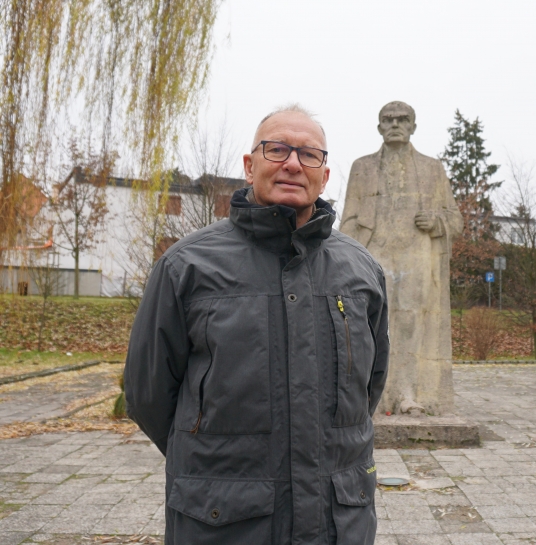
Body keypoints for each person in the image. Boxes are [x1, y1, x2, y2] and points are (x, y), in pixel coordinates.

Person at [124, 104, 389, 545]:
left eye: (308, 154)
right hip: (223, 520)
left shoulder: (361, 270)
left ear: (324, 175)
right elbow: (148, 392)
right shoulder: (186, 266)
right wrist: (211, 463)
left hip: (338, 519)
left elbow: (369, 386)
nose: (291, 163)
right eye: (277, 149)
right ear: (250, 166)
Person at [340, 101, 462, 416]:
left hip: (416, 259)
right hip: (373, 255)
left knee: (409, 325)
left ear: (413, 126)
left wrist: (437, 222)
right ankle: (371, 394)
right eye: (388, 119)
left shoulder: (432, 168)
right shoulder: (362, 167)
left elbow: (455, 219)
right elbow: (349, 220)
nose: (395, 124)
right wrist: (347, 258)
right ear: (379, 126)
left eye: (402, 119)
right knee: (369, 325)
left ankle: (408, 393)